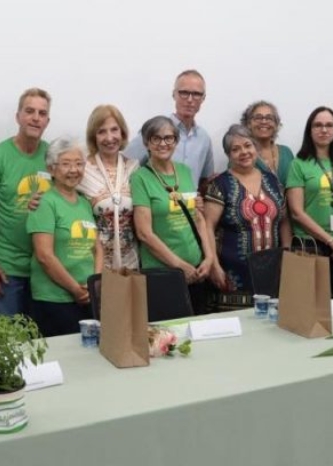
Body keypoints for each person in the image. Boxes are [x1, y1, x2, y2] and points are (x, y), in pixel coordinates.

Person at [0, 88, 51, 316]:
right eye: (29, 111)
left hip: (43, 268)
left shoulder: (52, 156)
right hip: (7, 269)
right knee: (9, 343)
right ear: (18, 116)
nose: (36, 118)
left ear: (48, 120)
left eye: (42, 113)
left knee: (42, 343)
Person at [131, 116, 215, 314]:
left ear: (176, 142)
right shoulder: (140, 178)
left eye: (169, 138)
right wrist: (179, 266)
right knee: (170, 336)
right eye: (156, 138)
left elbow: (198, 217)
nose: (163, 143)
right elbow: (144, 233)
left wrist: (209, 257)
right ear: (146, 143)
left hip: (197, 270)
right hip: (163, 274)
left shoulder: (185, 172)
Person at [204, 124, 288, 300]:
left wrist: (287, 255)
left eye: (248, 145)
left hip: (273, 270)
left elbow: (285, 221)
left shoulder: (271, 180)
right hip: (233, 273)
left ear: (255, 148)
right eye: (236, 149)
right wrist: (214, 265)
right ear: (229, 155)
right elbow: (208, 227)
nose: (244, 152)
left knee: (270, 323)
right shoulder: (220, 184)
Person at [27, 138, 101, 336]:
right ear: (51, 169)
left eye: (79, 163)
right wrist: (75, 289)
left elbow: (97, 248)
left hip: (88, 297)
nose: (73, 170)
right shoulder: (44, 202)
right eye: (66, 164)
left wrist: (94, 284)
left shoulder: (85, 203)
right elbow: (44, 256)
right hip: (54, 299)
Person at [285, 107, 333, 295]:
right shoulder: (298, 164)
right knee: (312, 304)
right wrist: (330, 241)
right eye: (318, 125)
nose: (324, 130)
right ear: (309, 131)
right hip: (311, 245)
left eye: (329, 125)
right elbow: (296, 212)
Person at [125, 69, 215, 190]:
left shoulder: (204, 139)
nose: (189, 99)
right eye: (184, 92)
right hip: (156, 205)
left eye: (196, 94)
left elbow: (206, 179)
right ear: (174, 95)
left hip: (188, 206)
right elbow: (126, 166)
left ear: (203, 98)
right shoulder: (154, 129)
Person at [78, 105, 140, 270]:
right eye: (102, 132)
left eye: (114, 130)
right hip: (94, 264)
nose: (109, 137)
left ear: (122, 133)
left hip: (131, 264)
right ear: (94, 137)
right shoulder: (82, 170)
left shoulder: (134, 168)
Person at [241, 100, 293, 187]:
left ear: (276, 124)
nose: (264, 121)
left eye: (269, 118)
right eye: (258, 118)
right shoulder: (241, 154)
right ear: (248, 124)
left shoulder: (286, 152)